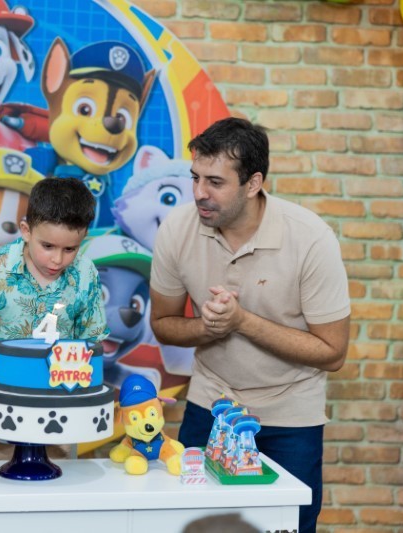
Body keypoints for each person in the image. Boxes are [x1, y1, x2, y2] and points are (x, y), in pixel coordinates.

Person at [149, 117, 350, 533]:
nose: (199, 193)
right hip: (210, 405)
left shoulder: (311, 238)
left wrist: (241, 321)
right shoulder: (177, 229)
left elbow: (333, 353)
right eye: (195, 178)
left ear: (253, 183)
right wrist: (208, 328)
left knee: (290, 525)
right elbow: (164, 324)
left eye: (215, 182)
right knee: (188, 522)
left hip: (290, 415)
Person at [0, 177, 109, 460]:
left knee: (58, 475)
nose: (57, 260)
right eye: (48, 246)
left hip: (60, 401)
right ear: (26, 230)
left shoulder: (85, 273)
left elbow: (91, 339)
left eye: (70, 249)